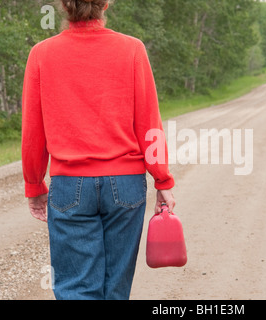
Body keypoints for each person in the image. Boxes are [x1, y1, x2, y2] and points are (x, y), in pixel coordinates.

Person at [21, 0, 175, 300]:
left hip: (69, 186)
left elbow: (32, 131)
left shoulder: (41, 54)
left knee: (77, 288)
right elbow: (150, 124)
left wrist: (34, 183)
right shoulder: (132, 49)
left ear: (64, 5)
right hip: (126, 185)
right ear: (106, 3)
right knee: (115, 288)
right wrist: (162, 179)